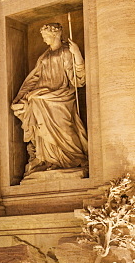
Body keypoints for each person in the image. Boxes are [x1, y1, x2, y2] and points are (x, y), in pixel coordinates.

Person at [11, 22, 88, 178]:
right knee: (35, 102)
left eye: (46, 36)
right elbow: (35, 77)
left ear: (55, 35)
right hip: (41, 94)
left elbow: (77, 79)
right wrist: (22, 95)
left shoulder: (66, 52)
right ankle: (49, 159)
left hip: (61, 95)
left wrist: (77, 54)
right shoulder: (44, 56)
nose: (45, 40)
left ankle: (73, 157)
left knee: (64, 127)